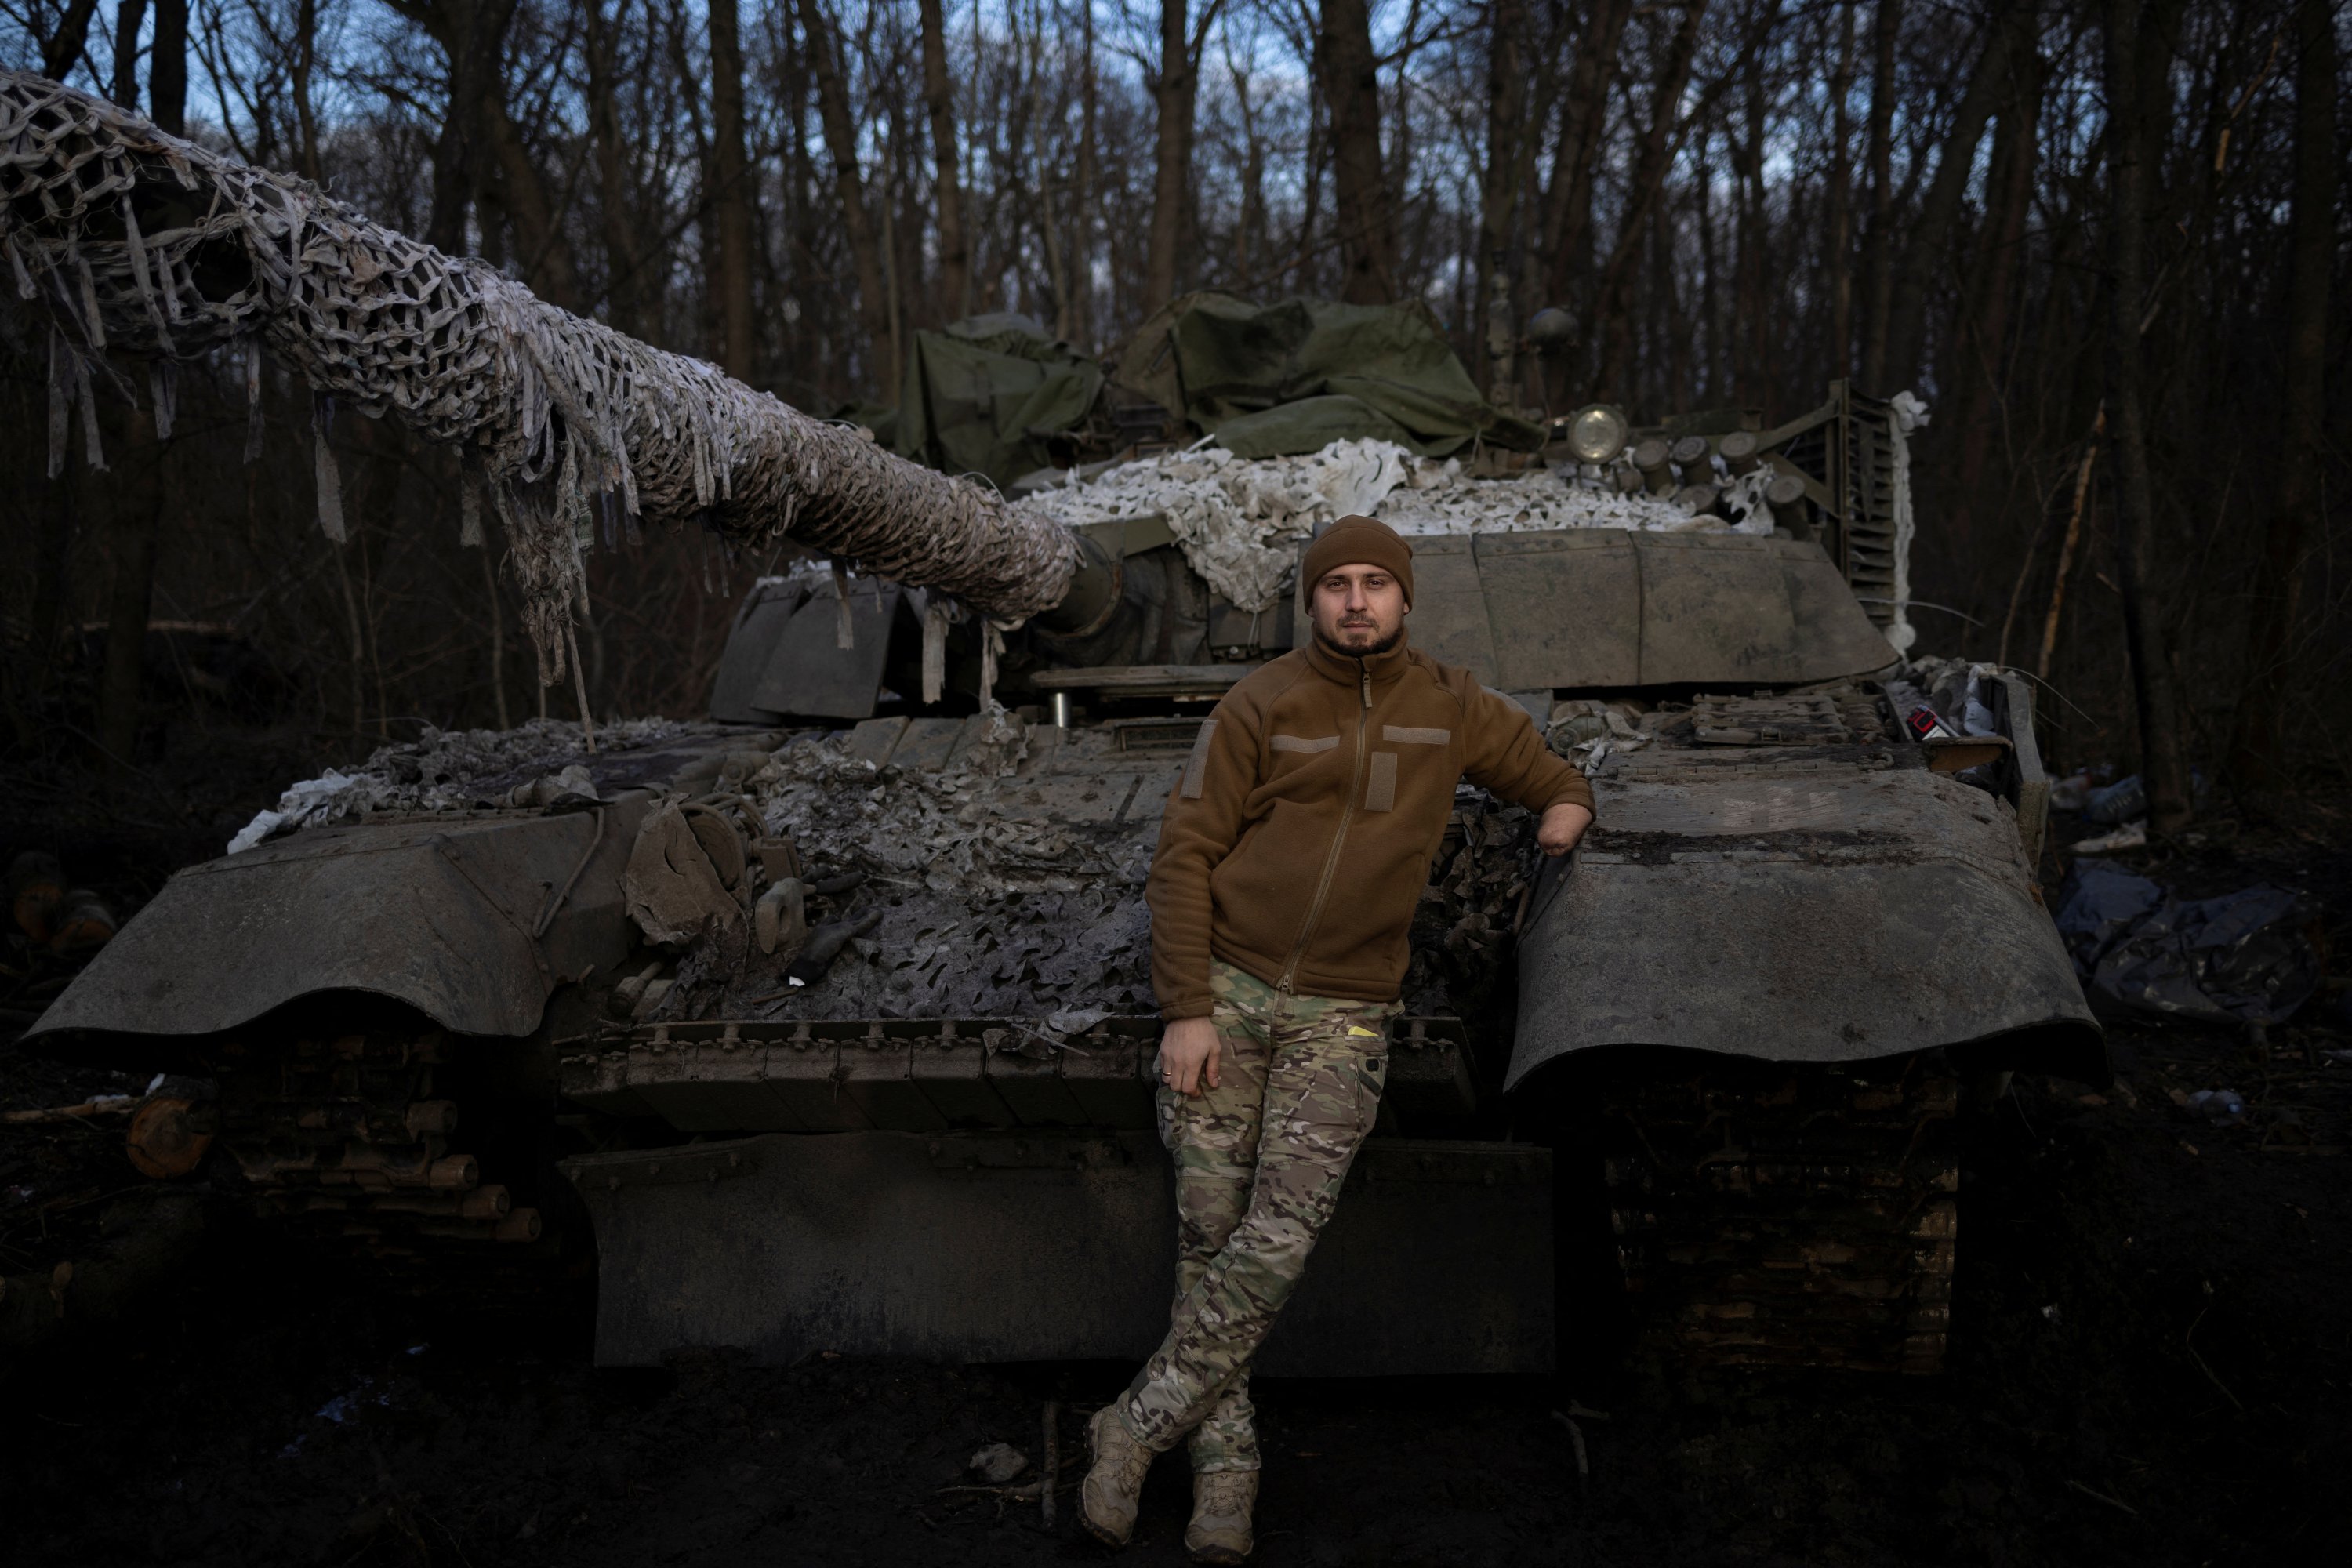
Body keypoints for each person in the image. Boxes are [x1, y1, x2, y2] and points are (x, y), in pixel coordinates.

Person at [1080, 514, 1595, 1561]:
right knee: (1209, 1238)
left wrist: (1566, 807)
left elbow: (1548, 773)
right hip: (1227, 991)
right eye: (1336, 585)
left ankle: (1133, 1423)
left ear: (1404, 598)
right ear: (1309, 601)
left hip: (1345, 1008)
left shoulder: (1452, 707)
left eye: (1376, 583)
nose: (1357, 601)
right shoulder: (1259, 703)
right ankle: (1228, 1477)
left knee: (1278, 1238)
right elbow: (1184, 857)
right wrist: (1187, 1008)